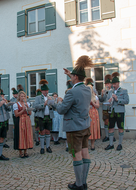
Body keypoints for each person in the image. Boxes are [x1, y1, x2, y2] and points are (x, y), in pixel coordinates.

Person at [56, 55, 92, 190]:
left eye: (72, 76)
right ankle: (84, 182)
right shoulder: (87, 89)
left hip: (74, 128)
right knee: (85, 153)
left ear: (76, 77)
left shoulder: (72, 92)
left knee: (76, 155)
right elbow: (78, 82)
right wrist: (70, 74)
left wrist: (57, 102)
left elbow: (61, 110)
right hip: (85, 125)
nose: (71, 78)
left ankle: (78, 184)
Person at [105, 72, 129, 151]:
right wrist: (109, 101)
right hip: (112, 111)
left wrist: (117, 99)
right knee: (110, 128)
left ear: (118, 83)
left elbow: (126, 101)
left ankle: (120, 144)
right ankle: (111, 144)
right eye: (113, 84)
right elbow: (108, 103)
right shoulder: (110, 91)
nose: (113, 85)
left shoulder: (123, 91)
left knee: (120, 128)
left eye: (115, 84)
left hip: (120, 111)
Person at [34, 79, 55, 154]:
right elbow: (35, 106)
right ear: (42, 91)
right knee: (42, 132)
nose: (46, 92)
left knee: (48, 131)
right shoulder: (38, 97)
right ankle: (42, 148)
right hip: (41, 116)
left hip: (49, 116)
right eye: (44, 90)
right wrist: (44, 104)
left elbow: (54, 107)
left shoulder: (50, 97)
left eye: (47, 90)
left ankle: (48, 147)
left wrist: (52, 102)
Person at [13, 91, 33, 158]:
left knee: (26, 135)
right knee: (20, 135)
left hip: (26, 120)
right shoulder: (16, 104)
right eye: (21, 96)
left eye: (24, 96)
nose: (23, 98)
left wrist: (27, 108)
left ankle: (25, 151)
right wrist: (22, 110)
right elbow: (16, 115)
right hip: (20, 120)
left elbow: (30, 113)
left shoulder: (27, 103)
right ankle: (20, 152)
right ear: (19, 97)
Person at [99, 74, 116, 142]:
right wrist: (102, 94)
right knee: (106, 122)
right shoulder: (103, 90)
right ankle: (107, 136)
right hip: (105, 108)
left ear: (111, 84)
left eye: (108, 84)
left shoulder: (113, 90)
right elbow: (101, 100)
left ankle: (112, 136)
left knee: (111, 122)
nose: (107, 85)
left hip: (111, 108)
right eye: (106, 83)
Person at [85, 78, 100, 151]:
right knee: (87, 129)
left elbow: (98, 106)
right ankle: (86, 145)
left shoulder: (95, 97)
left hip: (94, 113)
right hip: (87, 112)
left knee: (93, 129)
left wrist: (92, 103)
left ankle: (93, 145)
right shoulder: (85, 97)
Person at [59, 80, 74, 152]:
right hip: (67, 116)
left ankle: (73, 145)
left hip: (73, 117)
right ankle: (68, 145)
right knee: (67, 132)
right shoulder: (66, 97)